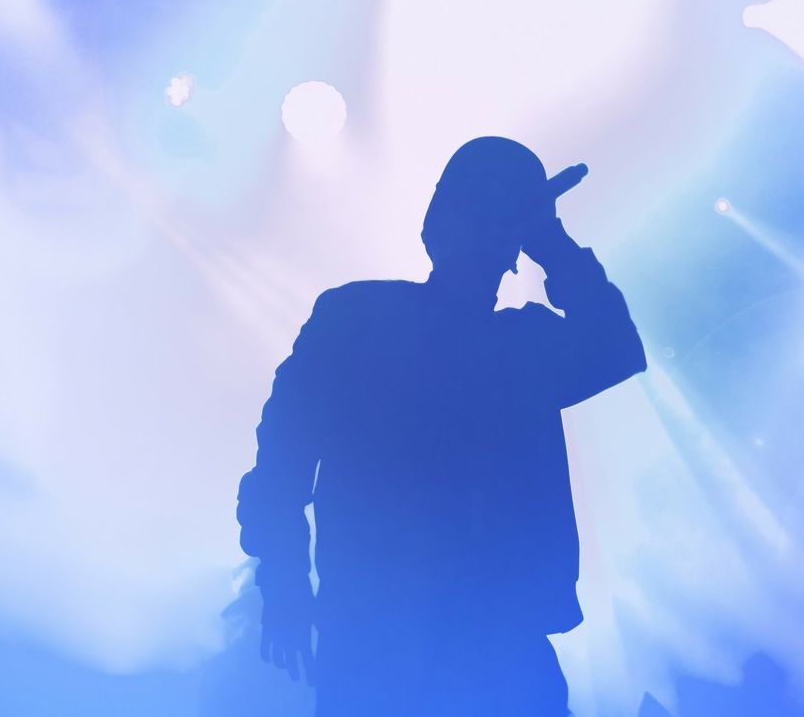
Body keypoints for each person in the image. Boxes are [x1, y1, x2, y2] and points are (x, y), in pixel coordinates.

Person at [236, 137, 646, 716]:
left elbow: (616, 349)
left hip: (464, 645)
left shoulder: (505, 343)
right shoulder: (362, 321)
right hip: (398, 645)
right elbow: (283, 458)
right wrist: (281, 579)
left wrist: (283, 581)